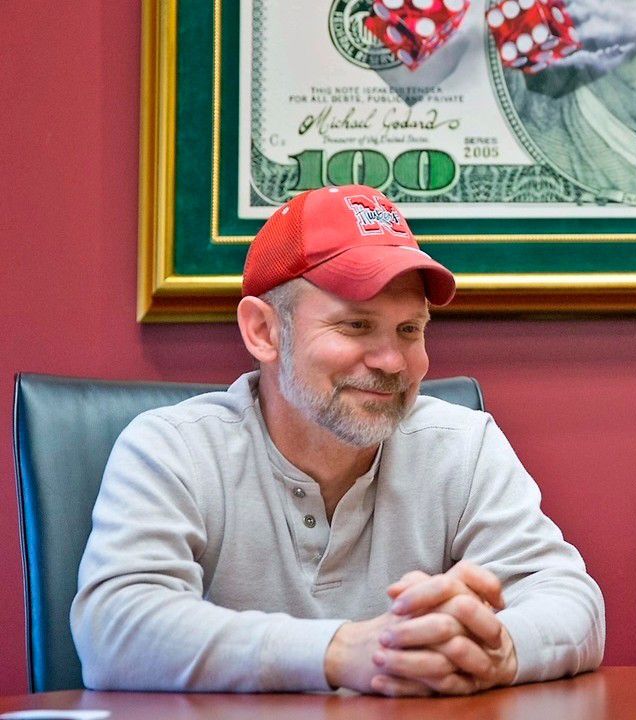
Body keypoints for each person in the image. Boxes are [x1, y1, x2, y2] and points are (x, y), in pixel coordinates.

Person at [72, 184, 605, 695]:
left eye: (409, 330)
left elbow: (571, 600)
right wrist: (340, 652)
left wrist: (497, 650)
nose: (392, 361)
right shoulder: (172, 449)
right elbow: (114, 627)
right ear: (263, 332)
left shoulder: (462, 445)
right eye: (355, 326)